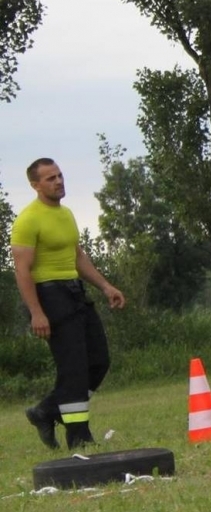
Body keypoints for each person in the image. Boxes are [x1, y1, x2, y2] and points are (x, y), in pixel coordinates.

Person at [9, 158, 125, 450]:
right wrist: (36, 312)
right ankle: (79, 438)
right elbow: (22, 271)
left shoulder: (67, 214)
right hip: (49, 296)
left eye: (59, 175)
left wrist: (105, 286)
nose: (58, 181)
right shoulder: (28, 219)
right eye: (50, 178)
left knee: (98, 361)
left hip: (75, 291)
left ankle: (47, 410)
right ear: (35, 185)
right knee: (73, 370)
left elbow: (78, 257)